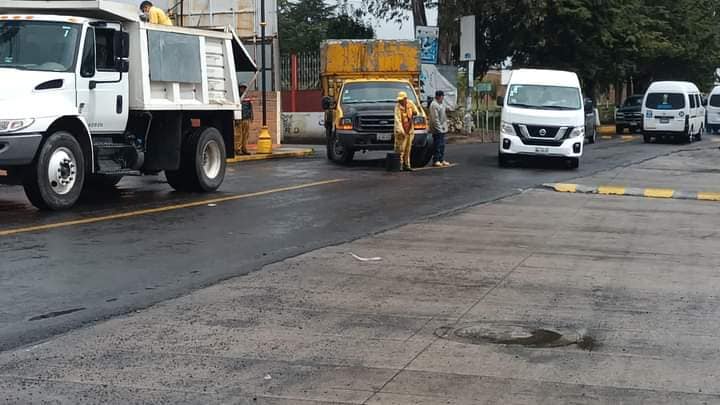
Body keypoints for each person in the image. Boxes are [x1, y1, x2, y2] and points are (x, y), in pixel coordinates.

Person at [394, 91, 418, 171]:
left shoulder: (410, 104)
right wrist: (401, 131)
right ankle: (399, 165)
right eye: (399, 100)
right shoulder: (397, 107)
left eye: (401, 99)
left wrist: (414, 113)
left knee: (408, 148)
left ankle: (407, 165)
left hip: (409, 130)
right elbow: (397, 120)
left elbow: (416, 112)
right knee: (400, 149)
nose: (400, 101)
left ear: (405, 99)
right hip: (401, 131)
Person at [429, 90, 451, 167]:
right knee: (437, 145)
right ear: (438, 96)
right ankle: (436, 160)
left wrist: (445, 127)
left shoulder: (441, 104)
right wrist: (439, 129)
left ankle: (441, 159)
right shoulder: (434, 105)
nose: (443, 98)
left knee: (442, 145)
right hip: (437, 129)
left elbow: (443, 116)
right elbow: (435, 119)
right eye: (442, 96)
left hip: (442, 128)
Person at [236, 84, 253, 155]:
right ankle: (238, 149)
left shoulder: (247, 98)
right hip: (239, 119)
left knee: (246, 135)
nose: (243, 90)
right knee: (238, 135)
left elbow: (250, 108)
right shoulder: (236, 97)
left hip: (246, 119)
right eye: (241, 88)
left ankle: (244, 149)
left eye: (244, 88)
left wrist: (251, 117)